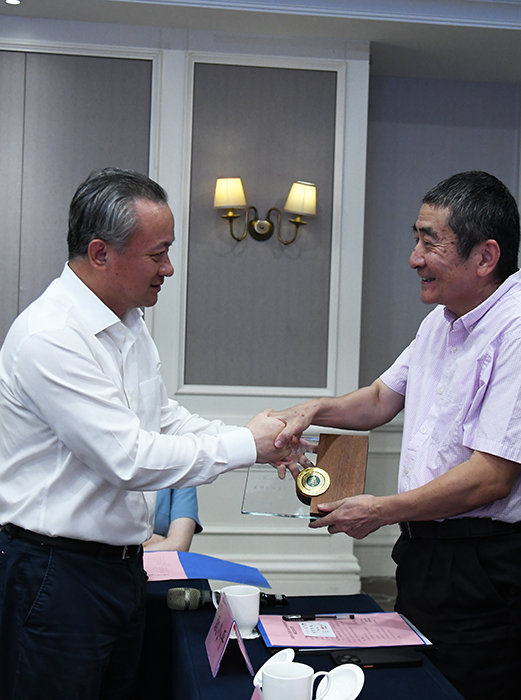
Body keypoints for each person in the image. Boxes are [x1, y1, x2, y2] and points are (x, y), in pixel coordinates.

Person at [0, 167, 290, 700]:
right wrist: (247, 444)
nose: (169, 268)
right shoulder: (51, 337)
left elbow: (161, 418)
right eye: (158, 253)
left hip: (121, 569)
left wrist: (255, 441)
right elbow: (129, 458)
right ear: (100, 253)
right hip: (55, 574)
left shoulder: (128, 322)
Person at [272, 171, 521, 700]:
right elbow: (380, 399)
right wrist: (313, 410)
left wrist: (382, 511)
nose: (413, 258)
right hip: (423, 554)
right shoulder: (440, 322)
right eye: (416, 239)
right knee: (418, 684)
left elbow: (491, 477)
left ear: (485, 256)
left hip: (484, 566)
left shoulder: (515, 330)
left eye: (430, 243)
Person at [143, 487, 202, 552]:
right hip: (156, 553)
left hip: (160, 558)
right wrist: (162, 541)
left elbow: (178, 545)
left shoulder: (183, 482)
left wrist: (137, 543)